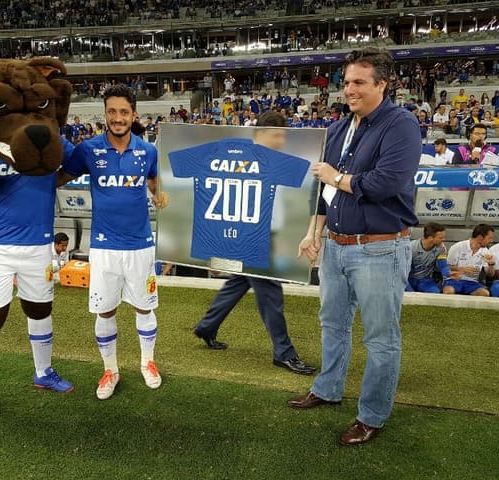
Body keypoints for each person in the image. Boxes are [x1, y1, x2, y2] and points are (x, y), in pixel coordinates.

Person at [289, 48, 421, 446]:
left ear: (382, 83)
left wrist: (338, 176)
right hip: (336, 244)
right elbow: (324, 190)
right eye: (346, 82)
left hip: (380, 248)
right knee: (332, 324)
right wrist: (314, 231)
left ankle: (372, 415)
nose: (349, 89)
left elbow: (385, 184)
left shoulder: (401, 125)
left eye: (359, 82)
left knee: (380, 338)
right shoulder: (341, 127)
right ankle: (328, 390)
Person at [60, 85, 168, 401]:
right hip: (105, 247)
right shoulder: (88, 150)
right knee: (104, 312)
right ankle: (111, 369)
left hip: (140, 245)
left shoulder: (147, 151)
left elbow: (153, 181)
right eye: (112, 111)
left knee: (143, 306)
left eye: (123, 112)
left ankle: (148, 362)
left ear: (133, 115)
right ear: (105, 114)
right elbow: (60, 177)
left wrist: (158, 193)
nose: (117, 118)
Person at [192, 112, 316, 375]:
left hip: (260, 236)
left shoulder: (274, 161)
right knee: (271, 293)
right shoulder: (243, 159)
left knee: (238, 283)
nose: (281, 140)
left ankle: (206, 327)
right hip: (252, 238)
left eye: (284, 135)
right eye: (276, 135)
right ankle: (284, 352)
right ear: (260, 134)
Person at [442, 224, 495, 296]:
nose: (491, 241)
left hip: (472, 282)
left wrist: (491, 264)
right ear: (480, 237)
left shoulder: (486, 251)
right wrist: (462, 269)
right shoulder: (458, 247)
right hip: (453, 280)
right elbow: (446, 267)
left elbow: (490, 275)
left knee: (484, 293)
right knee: (449, 291)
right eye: (489, 238)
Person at [406, 223, 457, 293]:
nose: (444, 239)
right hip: (408, 279)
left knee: (435, 292)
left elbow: (443, 265)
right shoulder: (411, 247)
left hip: (425, 280)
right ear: (430, 238)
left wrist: (448, 273)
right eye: (440, 238)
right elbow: (402, 270)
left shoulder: (441, 248)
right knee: (409, 294)